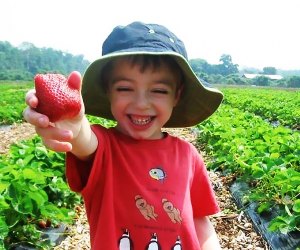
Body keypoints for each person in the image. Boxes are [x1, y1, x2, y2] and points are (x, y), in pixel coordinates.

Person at [24, 21, 223, 249]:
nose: (141, 103)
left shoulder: (188, 156)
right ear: (108, 90)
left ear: (176, 95)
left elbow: (200, 220)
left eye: (158, 90)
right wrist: (74, 126)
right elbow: (83, 140)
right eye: (125, 88)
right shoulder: (104, 148)